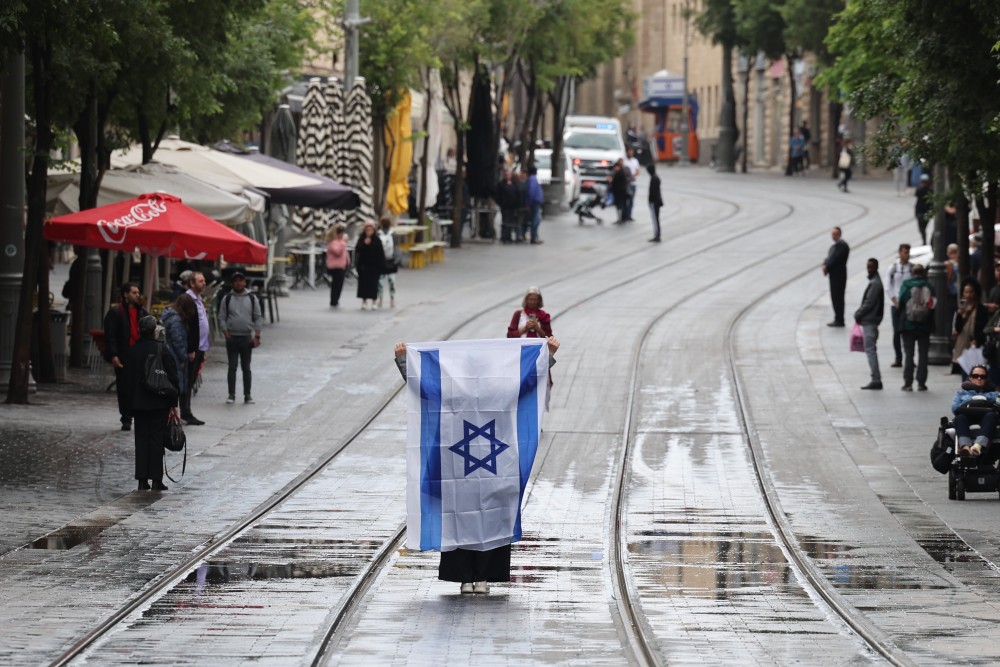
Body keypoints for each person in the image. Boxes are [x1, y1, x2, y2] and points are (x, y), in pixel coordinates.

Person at [393, 336, 560, 594]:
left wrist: (405, 361)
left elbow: (424, 384)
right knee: (490, 520)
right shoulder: (501, 391)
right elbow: (527, 382)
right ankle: (480, 577)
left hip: (457, 468)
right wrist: (547, 355)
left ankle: (467, 578)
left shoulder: (452, 389)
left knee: (461, 521)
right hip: (494, 468)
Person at [124, 315, 179, 491]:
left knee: (140, 439)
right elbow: (173, 377)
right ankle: (156, 479)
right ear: (155, 330)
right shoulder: (162, 349)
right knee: (156, 439)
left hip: (139, 403)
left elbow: (126, 381)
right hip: (159, 401)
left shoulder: (133, 351)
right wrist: (173, 403)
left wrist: (127, 408)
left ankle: (141, 480)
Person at [102, 282, 149, 431]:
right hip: (124, 355)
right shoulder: (116, 312)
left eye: (138, 292)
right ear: (125, 294)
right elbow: (110, 336)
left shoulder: (142, 312)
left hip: (139, 355)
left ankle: (138, 414)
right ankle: (126, 417)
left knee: (140, 386)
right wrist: (114, 355)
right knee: (124, 387)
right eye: (134, 292)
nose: (137, 295)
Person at [219, 271, 263, 404]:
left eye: (241, 280)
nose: (238, 283)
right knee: (232, 367)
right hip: (232, 337)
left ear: (245, 282)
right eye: (235, 281)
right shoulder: (227, 298)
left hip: (246, 338)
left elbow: (257, 317)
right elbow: (222, 317)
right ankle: (231, 394)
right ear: (232, 284)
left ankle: (247, 395)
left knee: (246, 367)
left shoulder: (252, 298)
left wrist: (257, 336)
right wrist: (226, 334)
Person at [899, 264, 935, 391]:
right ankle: (921, 383)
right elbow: (933, 304)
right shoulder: (929, 286)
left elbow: (901, 301)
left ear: (912, 273)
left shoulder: (906, 285)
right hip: (924, 326)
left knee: (909, 355)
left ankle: (908, 383)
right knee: (923, 355)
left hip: (908, 325)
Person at [950, 365, 999, 457]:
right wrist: (971, 401)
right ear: (970, 378)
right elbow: (954, 408)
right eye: (975, 376)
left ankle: (977, 446)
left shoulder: (994, 394)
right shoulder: (961, 393)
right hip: (966, 417)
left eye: (982, 376)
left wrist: (987, 401)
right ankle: (965, 447)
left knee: (992, 416)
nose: (979, 378)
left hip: (987, 417)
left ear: (986, 379)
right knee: (960, 418)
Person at [182, 271, 209, 425]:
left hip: (200, 347)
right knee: (186, 381)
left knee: (190, 381)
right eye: (200, 281)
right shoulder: (187, 299)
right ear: (192, 283)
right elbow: (188, 326)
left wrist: (203, 349)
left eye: (204, 280)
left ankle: (187, 410)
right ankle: (185, 411)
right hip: (192, 348)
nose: (203, 283)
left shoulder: (198, 299)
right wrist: (191, 348)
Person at [160, 293, 197, 404]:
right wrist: (183, 357)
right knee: (175, 386)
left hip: (168, 353)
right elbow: (178, 340)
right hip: (174, 356)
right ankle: (172, 416)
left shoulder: (169, 315)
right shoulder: (177, 320)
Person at [855, 258, 885, 390]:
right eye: (868, 267)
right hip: (872, 320)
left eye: (871, 267)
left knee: (870, 350)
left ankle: (876, 379)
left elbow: (869, 303)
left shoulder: (875, 284)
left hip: (870, 321)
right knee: (871, 349)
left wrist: (858, 314)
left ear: (876, 267)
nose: (869, 270)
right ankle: (875, 378)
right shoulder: (875, 282)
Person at [952, 278, 989, 380]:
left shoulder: (981, 309)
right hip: (963, 345)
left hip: (975, 346)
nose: (968, 295)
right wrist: (960, 315)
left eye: (971, 292)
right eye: (966, 292)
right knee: (965, 375)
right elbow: (958, 328)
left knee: (976, 374)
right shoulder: (961, 309)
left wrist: (978, 340)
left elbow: (984, 328)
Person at [885, 244, 912, 368]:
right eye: (905, 252)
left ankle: (909, 358)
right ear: (900, 253)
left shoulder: (911, 268)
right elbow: (888, 286)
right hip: (895, 305)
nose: (907, 255)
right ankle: (898, 358)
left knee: (908, 332)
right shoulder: (893, 268)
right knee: (896, 332)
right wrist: (894, 300)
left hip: (908, 305)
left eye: (908, 252)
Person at [821, 226, 850, 327]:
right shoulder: (834, 246)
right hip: (833, 276)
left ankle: (840, 319)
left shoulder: (842, 246)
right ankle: (837, 317)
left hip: (839, 276)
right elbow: (829, 258)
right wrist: (824, 264)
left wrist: (827, 265)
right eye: (832, 234)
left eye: (835, 234)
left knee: (838, 297)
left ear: (839, 234)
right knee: (834, 297)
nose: (833, 236)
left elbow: (835, 259)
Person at [354, 220, 385, 310]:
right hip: (363, 266)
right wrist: (364, 244)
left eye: (370, 228)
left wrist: (382, 266)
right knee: (363, 284)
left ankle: (374, 300)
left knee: (374, 284)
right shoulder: (361, 238)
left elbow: (380, 254)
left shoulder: (377, 240)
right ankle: (364, 301)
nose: (369, 230)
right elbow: (358, 249)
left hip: (374, 266)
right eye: (367, 228)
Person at [325, 223, 349, 307]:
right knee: (336, 284)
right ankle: (334, 300)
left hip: (341, 266)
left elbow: (344, 253)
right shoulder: (333, 242)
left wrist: (347, 261)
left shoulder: (339, 242)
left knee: (339, 284)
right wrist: (343, 243)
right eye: (341, 233)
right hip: (336, 267)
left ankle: (336, 299)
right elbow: (338, 252)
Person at [376, 217, 398, 308]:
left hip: (384, 260)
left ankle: (380, 299)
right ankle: (391, 299)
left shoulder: (389, 234)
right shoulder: (390, 234)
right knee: (391, 281)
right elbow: (396, 246)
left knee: (381, 282)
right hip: (389, 260)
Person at [494, 169, 519, 244]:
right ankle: (504, 236)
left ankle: (509, 236)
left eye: (508, 175)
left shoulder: (514, 184)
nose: (507, 176)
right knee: (505, 220)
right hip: (505, 206)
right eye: (506, 175)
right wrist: (501, 203)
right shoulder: (501, 184)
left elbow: (516, 193)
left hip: (512, 206)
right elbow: (497, 195)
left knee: (511, 221)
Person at [526, 166, 544, 244]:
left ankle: (535, 236)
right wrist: (530, 202)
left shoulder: (531, 178)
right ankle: (534, 237)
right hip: (535, 201)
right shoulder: (533, 179)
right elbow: (532, 191)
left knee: (536, 219)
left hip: (535, 201)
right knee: (535, 220)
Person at [914, 173, 933, 245]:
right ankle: (924, 240)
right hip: (925, 211)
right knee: (923, 228)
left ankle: (924, 240)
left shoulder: (921, 189)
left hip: (921, 211)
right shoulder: (930, 190)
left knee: (922, 228)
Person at [609, 159, 629, 224]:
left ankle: (620, 218)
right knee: (620, 205)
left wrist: (611, 181)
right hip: (619, 192)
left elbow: (615, 183)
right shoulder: (620, 173)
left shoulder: (619, 174)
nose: (615, 168)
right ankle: (621, 218)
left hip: (619, 193)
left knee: (620, 205)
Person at [623, 147, 640, 221]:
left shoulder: (635, 161)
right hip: (626, 183)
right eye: (629, 152)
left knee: (631, 200)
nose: (630, 153)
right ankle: (624, 215)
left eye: (632, 152)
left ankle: (629, 215)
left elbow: (638, 171)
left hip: (633, 184)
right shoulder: (624, 161)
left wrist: (634, 176)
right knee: (625, 200)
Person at [647, 163, 663, 243]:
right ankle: (657, 234)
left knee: (655, 219)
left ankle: (657, 234)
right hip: (657, 201)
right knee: (656, 218)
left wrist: (650, 201)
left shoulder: (654, 179)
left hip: (654, 202)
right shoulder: (655, 177)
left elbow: (653, 192)